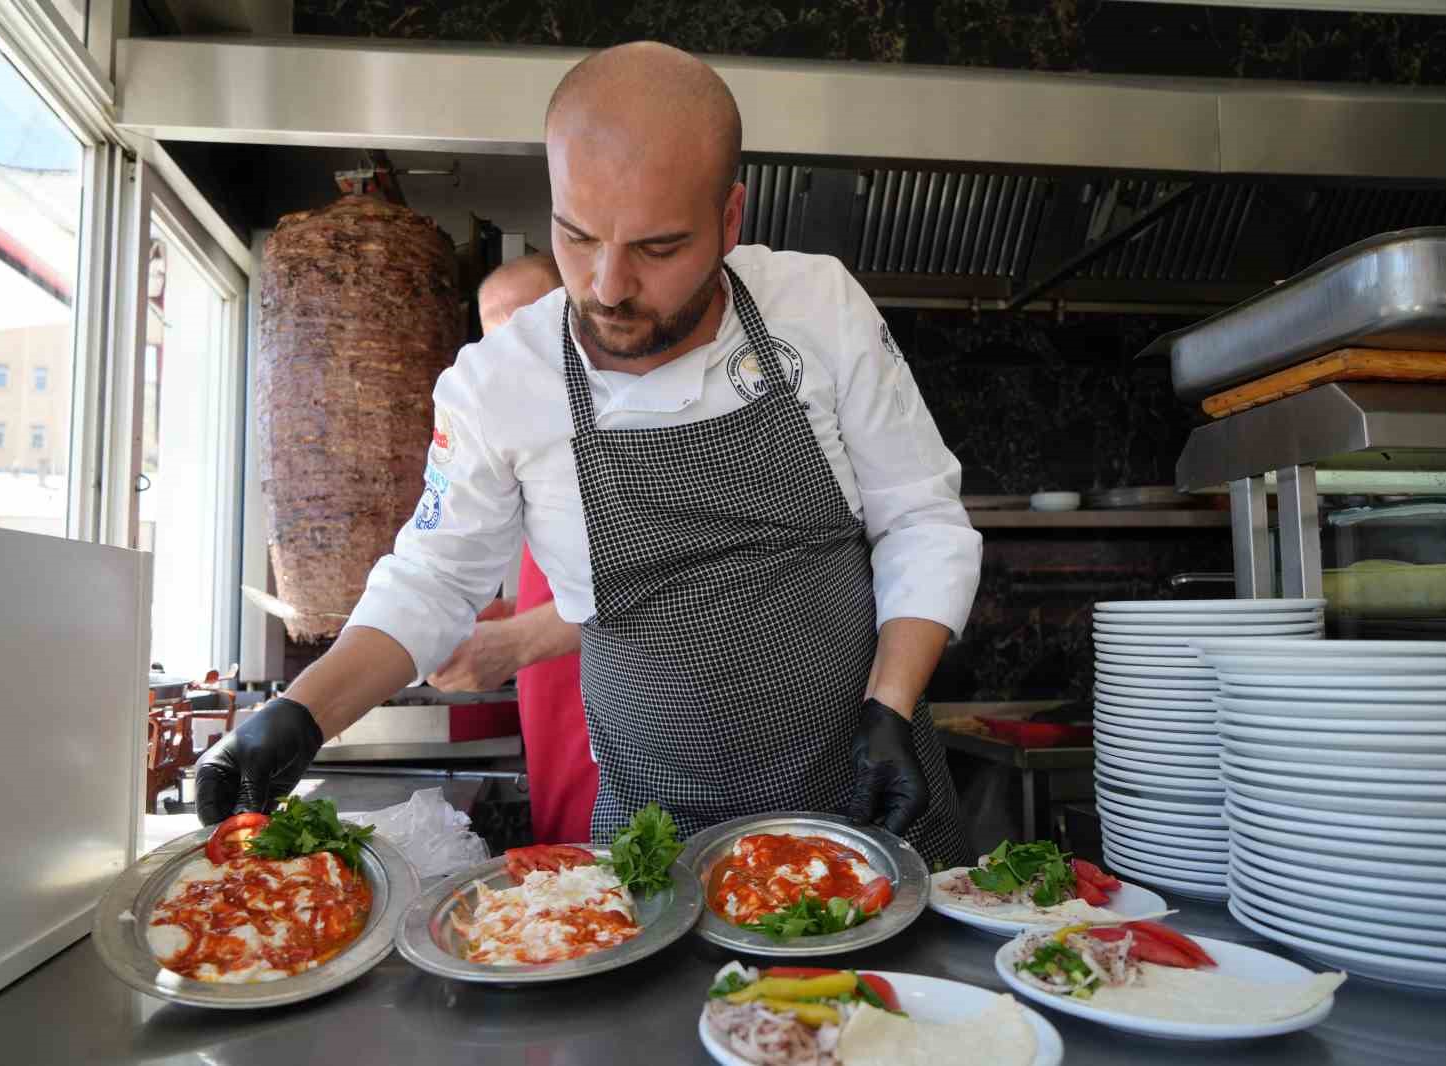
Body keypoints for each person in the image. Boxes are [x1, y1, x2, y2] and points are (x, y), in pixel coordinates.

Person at [198, 42, 981, 865]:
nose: (608, 287)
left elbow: (921, 518)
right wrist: (300, 712)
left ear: (730, 219)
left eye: (658, 248)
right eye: (577, 237)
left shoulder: (818, 308)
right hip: (656, 847)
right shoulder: (500, 383)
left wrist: (892, 705)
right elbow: (431, 581)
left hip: (867, 809)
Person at [427, 252, 598, 845]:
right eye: (495, 336)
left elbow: (661, 584)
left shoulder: (617, 420)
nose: (513, 351)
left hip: (618, 702)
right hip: (547, 701)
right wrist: (508, 617)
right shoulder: (520, 437)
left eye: (527, 321)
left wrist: (516, 640)